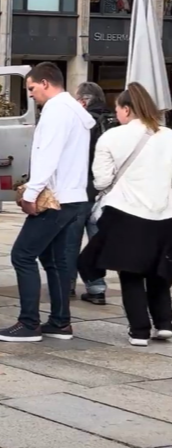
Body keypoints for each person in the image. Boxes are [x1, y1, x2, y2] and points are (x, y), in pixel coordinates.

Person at [0, 62, 95, 343]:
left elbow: (48, 155)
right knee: (55, 260)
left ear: (46, 83)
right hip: (74, 197)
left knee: (22, 255)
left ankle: (28, 323)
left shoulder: (56, 111)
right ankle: (60, 322)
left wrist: (29, 193)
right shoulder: (74, 111)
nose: (31, 94)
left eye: (32, 88)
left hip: (55, 198)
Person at [78, 83, 172, 346]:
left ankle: (139, 330)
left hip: (126, 212)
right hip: (165, 214)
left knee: (130, 272)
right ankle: (164, 323)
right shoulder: (169, 136)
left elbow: (101, 181)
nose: (116, 113)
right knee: (159, 270)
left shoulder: (111, 137)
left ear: (127, 109)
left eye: (118, 108)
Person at [67, 82, 116, 304]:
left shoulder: (82, 122)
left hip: (81, 189)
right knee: (98, 242)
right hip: (109, 194)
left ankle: (66, 285)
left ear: (84, 101)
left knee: (70, 239)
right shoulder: (118, 121)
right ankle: (96, 288)